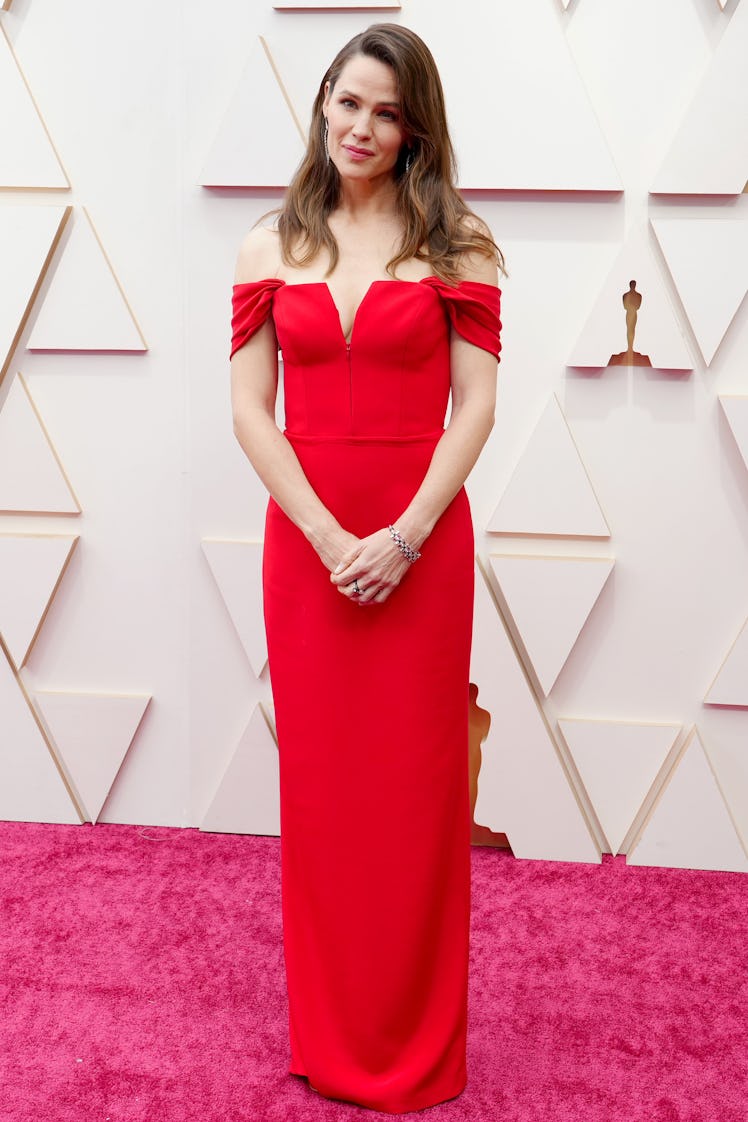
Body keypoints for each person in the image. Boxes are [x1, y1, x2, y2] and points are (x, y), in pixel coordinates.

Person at [229, 23, 502, 1114]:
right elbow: (249, 414)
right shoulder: (265, 247)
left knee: (415, 797)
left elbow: (476, 408)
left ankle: (416, 1047)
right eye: (347, 102)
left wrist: (402, 535)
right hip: (307, 554)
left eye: (386, 111)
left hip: (421, 552)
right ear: (321, 106)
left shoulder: (459, 247)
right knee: (326, 793)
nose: (361, 127)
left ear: (414, 126)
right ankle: (331, 1035)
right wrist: (331, 538)